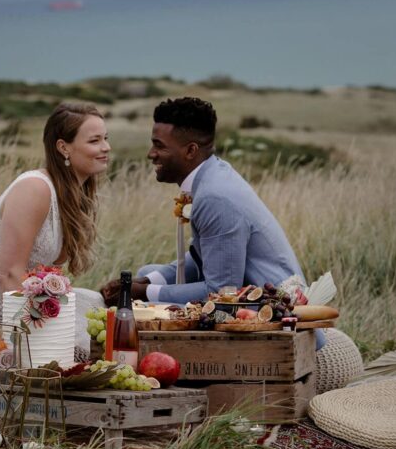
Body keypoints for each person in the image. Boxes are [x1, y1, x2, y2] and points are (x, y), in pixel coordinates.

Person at [101, 97, 313, 315]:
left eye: (159, 145)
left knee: (145, 303)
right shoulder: (213, 174)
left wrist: (145, 293)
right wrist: (147, 281)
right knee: (150, 272)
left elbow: (221, 293)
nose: (150, 154)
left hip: (273, 312)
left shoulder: (215, 198)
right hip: (242, 292)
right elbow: (208, 256)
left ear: (191, 151)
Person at [0, 102, 108, 353]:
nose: (106, 148)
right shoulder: (35, 188)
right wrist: (32, 344)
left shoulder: (72, 195)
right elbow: (10, 275)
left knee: (94, 304)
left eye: (106, 138)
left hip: (29, 312)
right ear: (63, 147)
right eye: (95, 141)